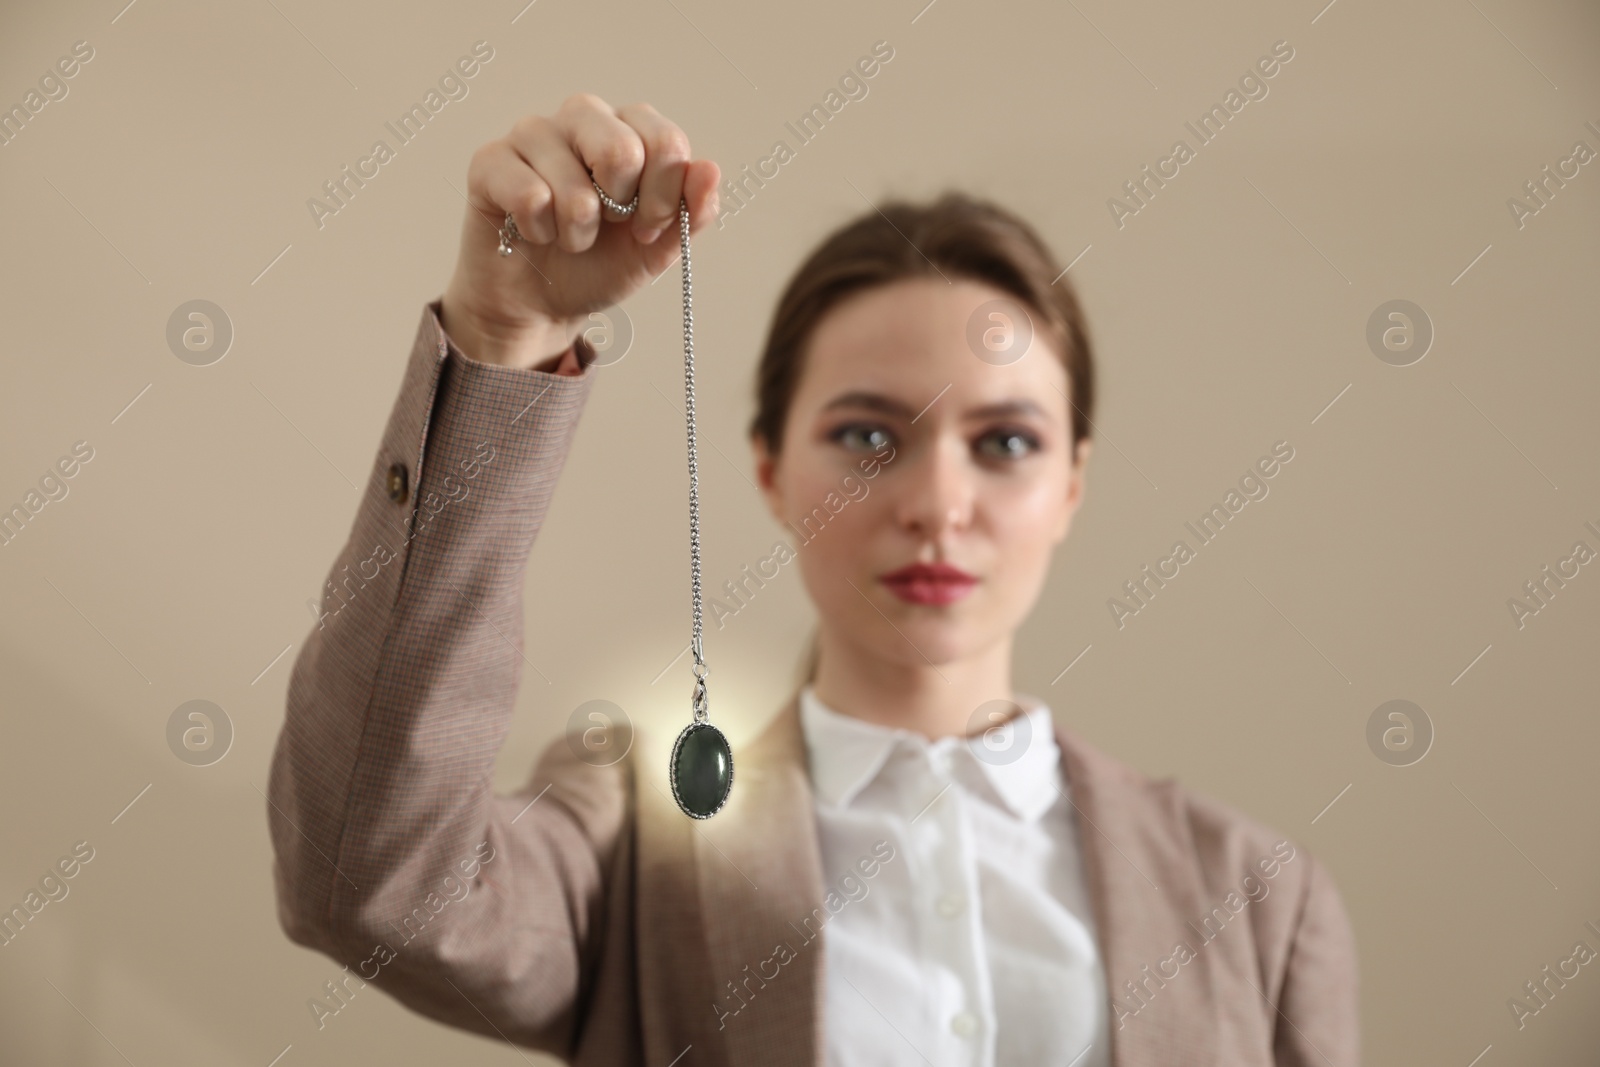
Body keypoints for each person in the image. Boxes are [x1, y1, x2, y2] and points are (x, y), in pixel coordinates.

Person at [266, 92, 1358, 1067]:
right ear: (772, 471)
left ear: (1072, 481)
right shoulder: (639, 845)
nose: (936, 500)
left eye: (1007, 441)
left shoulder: (1257, 899)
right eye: (869, 434)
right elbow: (370, 885)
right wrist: (504, 337)